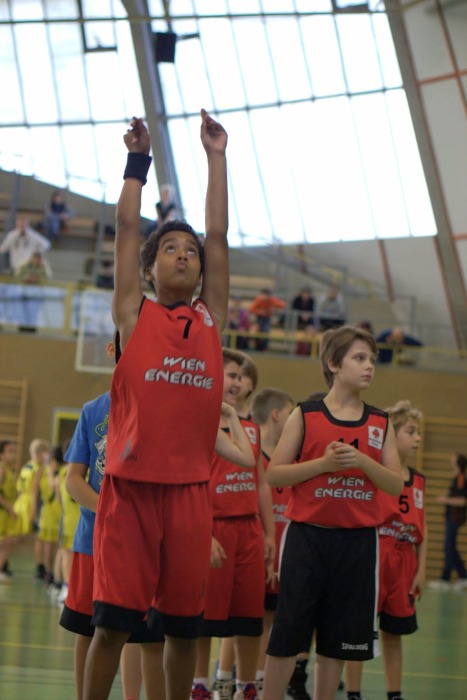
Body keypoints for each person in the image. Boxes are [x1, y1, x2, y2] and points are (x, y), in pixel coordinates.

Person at [82, 108, 229, 700]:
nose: (185, 255)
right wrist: (136, 163)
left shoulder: (211, 319)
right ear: (149, 268)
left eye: (190, 250)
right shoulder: (133, 314)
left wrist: (216, 159)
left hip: (190, 493)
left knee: (183, 630)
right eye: (170, 248)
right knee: (113, 627)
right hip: (130, 492)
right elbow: (124, 226)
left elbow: (218, 236)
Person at [262, 325, 403, 700]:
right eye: (359, 358)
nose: (369, 366)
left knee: (337, 642)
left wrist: (363, 462)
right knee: (287, 636)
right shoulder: (306, 415)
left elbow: (395, 484)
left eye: (372, 359)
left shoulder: (380, 422)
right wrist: (323, 465)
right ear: (333, 364)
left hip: (357, 543)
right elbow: (274, 474)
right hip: (307, 539)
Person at [192, 348, 275, 700]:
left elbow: (262, 483)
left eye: (241, 376)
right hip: (214, 528)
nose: (237, 381)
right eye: (231, 374)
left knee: (249, 617)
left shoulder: (251, 430)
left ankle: (246, 686)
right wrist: (204, 533)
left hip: (249, 531)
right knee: (205, 617)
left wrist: (270, 533)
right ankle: (199, 684)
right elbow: (193, 482)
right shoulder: (199, 425)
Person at [345, 399, 427, 700]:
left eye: (418, 432)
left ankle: (394, 694)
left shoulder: (418, 480)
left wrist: (421, 570)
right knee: (359, 631)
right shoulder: (376, 472)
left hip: (404, 562)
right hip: (375, 555)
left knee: (394, 634)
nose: (417, 438)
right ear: (393, 434)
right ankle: (353, 693)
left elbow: (424, 531)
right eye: (411, 431)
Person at [250, 388, 295, 699]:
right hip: (257, 552)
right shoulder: (250, 456)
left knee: (274, 620)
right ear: (277, 415)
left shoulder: (290, 462)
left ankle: (261, 679)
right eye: (290, 413)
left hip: (284, 555)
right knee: (249, 621)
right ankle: (247, 679)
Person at [428, 453, 467, 591]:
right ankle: (463, 577)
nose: (451, 460)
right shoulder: (457, 478)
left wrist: (445, 500)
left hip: (455, 519)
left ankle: (445, 579)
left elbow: (463, 501)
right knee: (450, 548)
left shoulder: (461, 478)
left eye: (453, 459)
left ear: (458, 463)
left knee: (449, 547)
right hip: (451, 518)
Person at [0, 440, 19, 583]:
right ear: (1, 454)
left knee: (11, 540)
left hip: (6, 512)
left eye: (14, 451)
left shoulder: (8, 469)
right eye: (9, 451)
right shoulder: (1, 469)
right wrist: (10, 508)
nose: (13, 455)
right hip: (2, 511)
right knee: (7, 541)